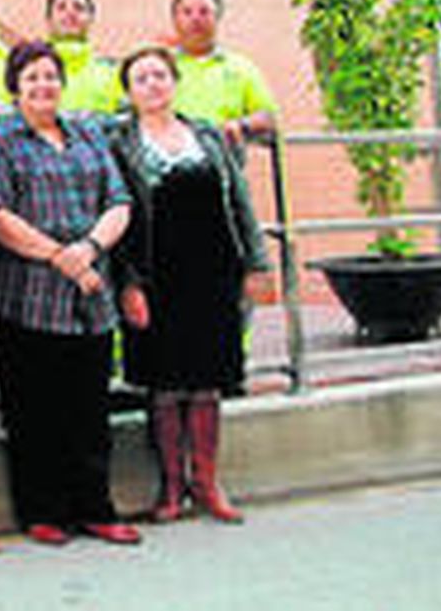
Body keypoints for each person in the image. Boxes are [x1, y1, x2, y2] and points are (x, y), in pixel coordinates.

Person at [0, 40, 137, 547]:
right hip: (28, 297)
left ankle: (95, 508)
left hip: (90, 296)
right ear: (14, 89)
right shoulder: (0, 143)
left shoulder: (88, 135)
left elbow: (119, 201)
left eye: (50, 76)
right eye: (31, 78)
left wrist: (88, 248)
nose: (43, 86)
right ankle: (43, 511)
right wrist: (60, 257)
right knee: (35, 412)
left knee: (90, 412)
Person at [109, 45, 268, 525]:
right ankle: (172, 488)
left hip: (213, 273)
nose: (153, 84)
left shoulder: (207, 135)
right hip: (155, 277)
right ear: (129, 92)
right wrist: (128, 283)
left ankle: (207, 482)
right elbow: (118, 216)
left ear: (174, 82)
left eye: (160, 75)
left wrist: (257, 262)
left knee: (207, 383)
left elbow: (239, 201)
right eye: (142, 78)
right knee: (165, 385)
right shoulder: (119, 142)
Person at [169, 0, 278, 151]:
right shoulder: (158, 67)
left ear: (217, 18)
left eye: (204, 12)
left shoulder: (242, 68)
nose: (196, 18)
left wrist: (241, 125)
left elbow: (268, 117)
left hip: (224, 164)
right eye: (187, 12)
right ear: (175, 20)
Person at [45, 0, 122, 120]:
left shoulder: (112, 74)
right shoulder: (29, 72)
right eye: (61, 7)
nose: (70, 13)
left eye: (79, 8)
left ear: (91, 18)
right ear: (49, 19)